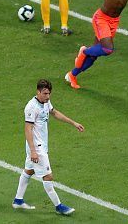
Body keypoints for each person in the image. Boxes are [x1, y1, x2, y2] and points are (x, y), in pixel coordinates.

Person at [12, 79, 85, 215]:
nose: (48, 96)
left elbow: (55, 112)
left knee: (29, 171)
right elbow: (28, 129)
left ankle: (18, 200)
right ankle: (59, 206)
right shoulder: (31, 107)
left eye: (49, 93)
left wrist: (73, 123)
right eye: (45, 93)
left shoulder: (45, 102)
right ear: (38, 92)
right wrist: (33, 151)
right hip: (36, 148)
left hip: (41, 146)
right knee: (48, 176)